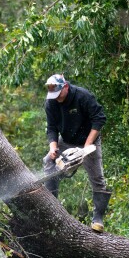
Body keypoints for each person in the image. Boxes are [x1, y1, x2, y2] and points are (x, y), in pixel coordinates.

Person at [43, 73, 111, 232]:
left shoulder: (83, 96)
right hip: (66, 140)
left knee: (98, 178)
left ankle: (98, 219)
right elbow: (51, 128)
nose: (57, 97)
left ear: (65, 86)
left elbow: (99, 118)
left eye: (59, 94)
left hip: (89, 140)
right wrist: (53, 147)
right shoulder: (51, 102)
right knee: (48, 161)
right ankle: (50, 206)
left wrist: (86, 148)